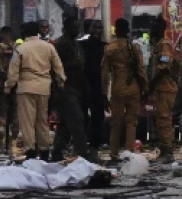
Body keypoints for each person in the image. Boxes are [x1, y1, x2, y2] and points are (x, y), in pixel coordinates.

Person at [5, 22, 65, 160]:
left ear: (25, 33)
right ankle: (44, 151)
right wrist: (61, 84)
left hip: (25, 88)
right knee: (42, 121)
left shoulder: (20, 49)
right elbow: (58, 67)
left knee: (27, 122)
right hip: (44, 88)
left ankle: (30, 151)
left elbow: (13, 72)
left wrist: (8, 88)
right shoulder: (49, 47)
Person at [101, 18, 147, 162]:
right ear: (127, 30)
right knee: (131, 122)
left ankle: (114, 153)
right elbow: (141, 70)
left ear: (116, 30)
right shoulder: (135, 48)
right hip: (133, 89)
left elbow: (104, 74)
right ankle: (129, 151)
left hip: (117, 89)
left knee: (116, 122)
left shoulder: (110, 49)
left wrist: (104, 93)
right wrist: (145, 88)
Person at [51, 17, 92, 162]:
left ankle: (57, 151)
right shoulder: (61, 44)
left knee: (66, 124)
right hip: (66, 88)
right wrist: (72, 64)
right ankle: (82, 151)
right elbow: (55, 67)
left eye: (77, 27)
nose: (77, 30)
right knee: (76, 119)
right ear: (67, 28)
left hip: (77, 87)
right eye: (74, 27)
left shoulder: (75, 44)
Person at [148, 18, 180, 164]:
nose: (150, 29)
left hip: (166, 87)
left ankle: (168, 152)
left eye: (153, 26)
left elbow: (164, 67)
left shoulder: (164, 45)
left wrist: (151, 86)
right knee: (161, 120)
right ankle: (164, 150)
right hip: (161, 88)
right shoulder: (158, 45)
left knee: (164, 119)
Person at [79, 19, 107, 149]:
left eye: (99, 27)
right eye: (95, 27)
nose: (97, 30)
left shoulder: (105, 47)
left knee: (95, 116)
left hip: (96, 85)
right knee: (87, 116)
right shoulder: (81, 45)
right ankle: (86, 143)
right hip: (86, 84)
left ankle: (90, 143)